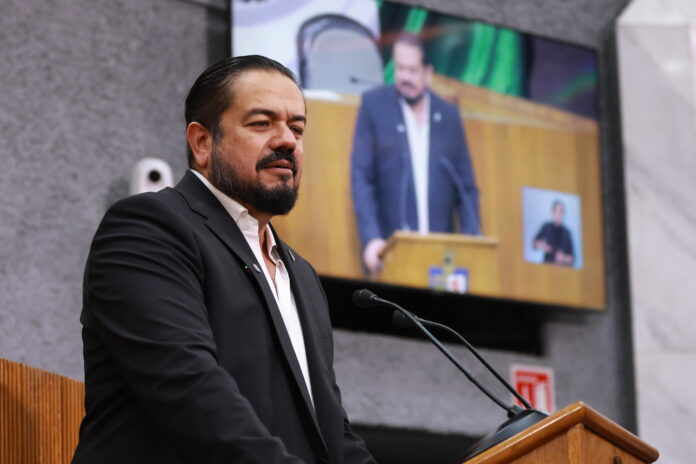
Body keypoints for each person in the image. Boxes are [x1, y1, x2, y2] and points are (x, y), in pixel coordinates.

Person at [72, 56, 375, 464]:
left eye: (297, 128)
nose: (287, 140)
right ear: (202, 142)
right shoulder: (150, 227)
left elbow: (331, 430)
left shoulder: (300, 274)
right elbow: (189, 388)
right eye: (262, 123)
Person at [351, 32, 480, 275]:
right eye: (400, 68)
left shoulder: (449, 117)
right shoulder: (374, 107)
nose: (404, 77)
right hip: (390, 256)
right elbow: (362, 180)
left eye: (412, 70)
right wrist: (371, 239)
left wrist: (473, 241)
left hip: (442, 261)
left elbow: (466, 188)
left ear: (428, 73)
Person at [533, 199, 574, 266]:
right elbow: (535, 243)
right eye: (556, 211)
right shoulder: (546, 227)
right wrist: (544, 246)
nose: (558, 214)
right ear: (553, 212)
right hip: (547, 266)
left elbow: (572, 258)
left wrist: (563, 258)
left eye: (561, 212)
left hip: (562, 268)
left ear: (563, 214)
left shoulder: (567, 233)